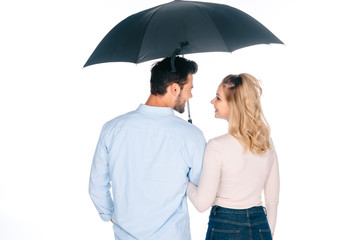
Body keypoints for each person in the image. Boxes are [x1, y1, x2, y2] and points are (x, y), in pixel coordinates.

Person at [89, 57, 206, 240]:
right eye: (189, 89)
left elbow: (97, 186)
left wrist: (109, 215)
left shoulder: (112, 128)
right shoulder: (191, 136)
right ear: (174, 88)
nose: (191, 96)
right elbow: (201, 185)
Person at [187, 73, 280, 240]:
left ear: (234, 104)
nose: (212, 102)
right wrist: (267, 232)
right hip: (261, 226)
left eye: (218, 98)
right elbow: (272, 199)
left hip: (225, 225)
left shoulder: (216, 146)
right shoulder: (267, 143)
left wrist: (184, 181)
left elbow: (202, 204)